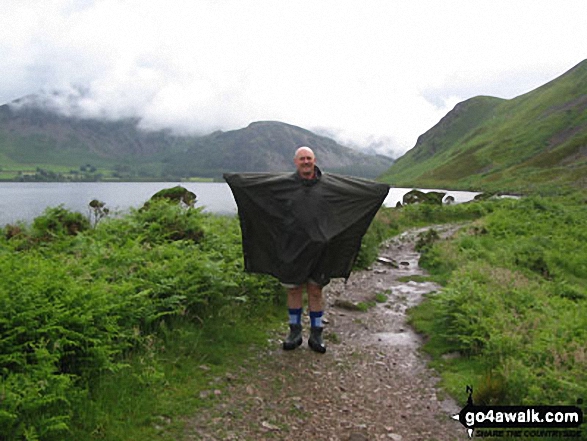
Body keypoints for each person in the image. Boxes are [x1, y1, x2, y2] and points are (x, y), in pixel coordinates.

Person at [224, 146, 389, 354]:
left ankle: (317, 333)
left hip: (322, 250)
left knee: (315, 290)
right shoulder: (284, 185)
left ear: (314, 160)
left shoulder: (330, 186)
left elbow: (355, 190)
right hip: (292, 247)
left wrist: (378, 191)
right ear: (296, 162)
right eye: (302, 159)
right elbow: (259, 186)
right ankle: (294, 332)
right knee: (293, 289)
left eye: (308, 158)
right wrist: (235, 181)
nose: (305, 162)